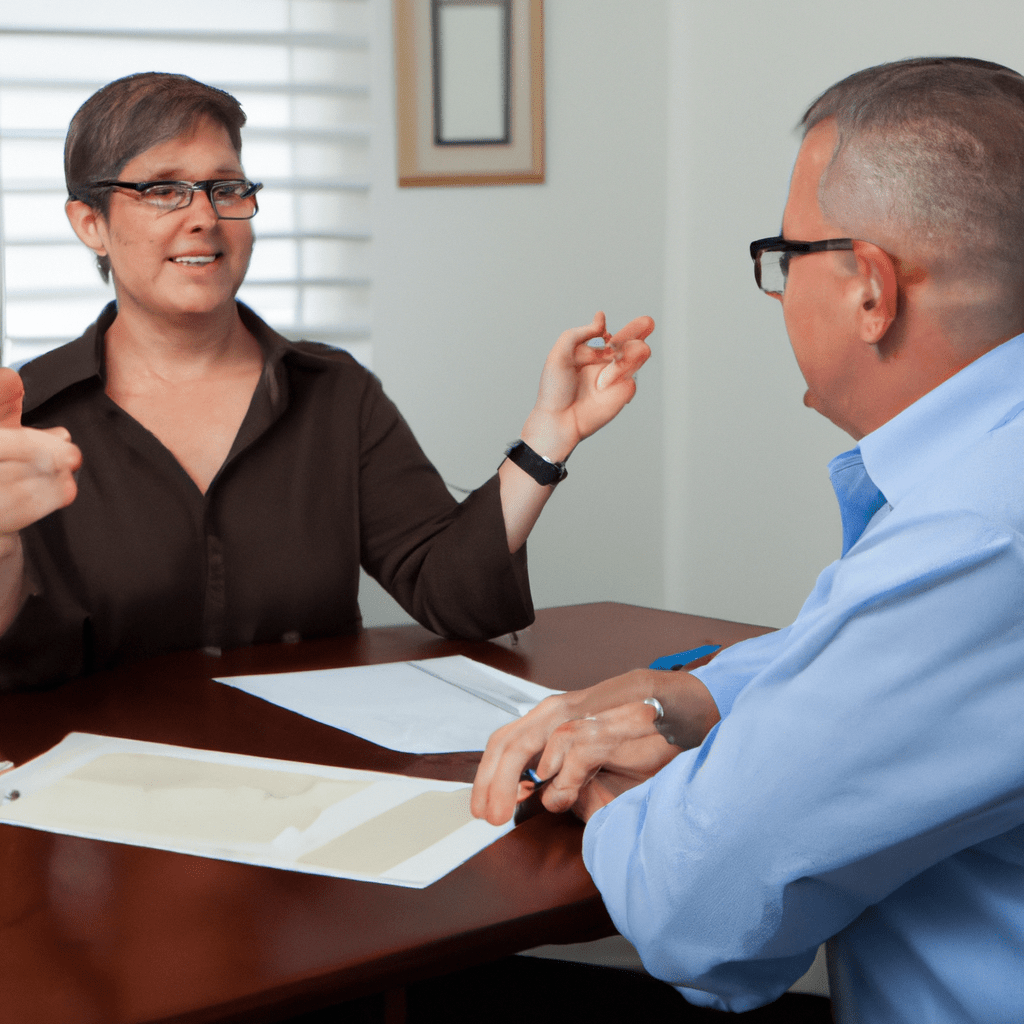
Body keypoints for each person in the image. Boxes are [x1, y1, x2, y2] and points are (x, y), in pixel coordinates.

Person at [472, 57, 1024, 1023]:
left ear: (871, 291)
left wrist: (628, 778)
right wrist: (694, 699)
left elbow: (700, 911)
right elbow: (880, 656)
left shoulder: (980, 538)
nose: (775, 292)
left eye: (785, 257)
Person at [0, 72, 652, 691]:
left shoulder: (335, 393)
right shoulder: (23, 419)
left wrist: (547, 436)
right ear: (91, 224)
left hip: (311, 783)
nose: (204, 216)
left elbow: (454, 594)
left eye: (225, 187)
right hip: (85, 784)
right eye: (164, 189)